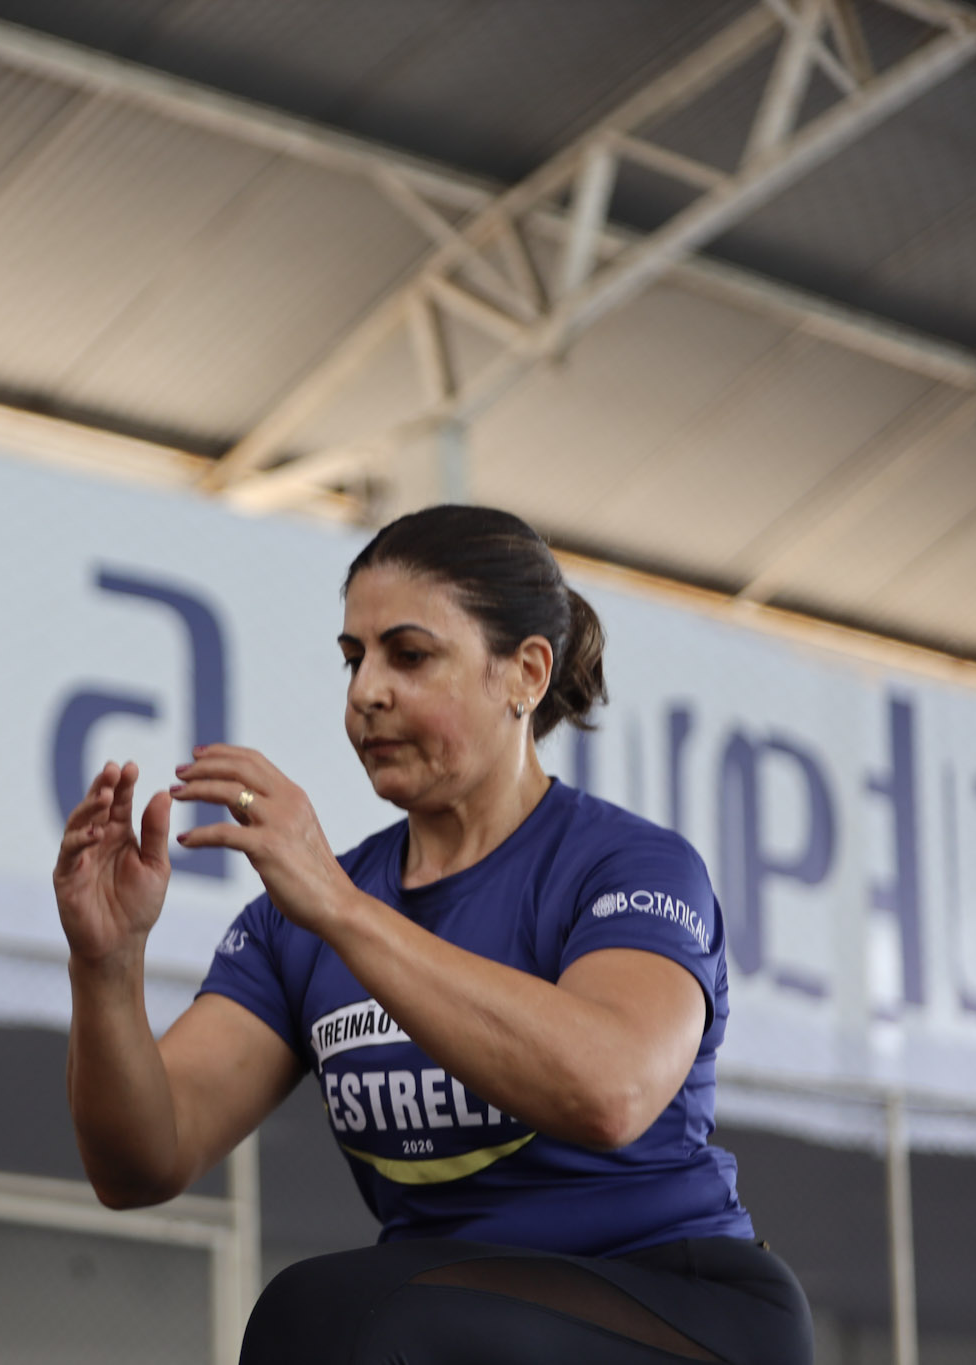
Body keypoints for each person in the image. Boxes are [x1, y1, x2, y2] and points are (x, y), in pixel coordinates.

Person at [53, 505, 812, 1364]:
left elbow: (610, 1091)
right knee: (350, 1316)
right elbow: (140, 1164)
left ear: (525, 672)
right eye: (354, 658)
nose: (365, 691)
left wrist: (342, 908)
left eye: (409, 655)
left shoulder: (628, 865)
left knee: (330, 1313)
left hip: (678, 1306)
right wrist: (106, 963)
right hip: (450, 1313)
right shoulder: (297, 920)